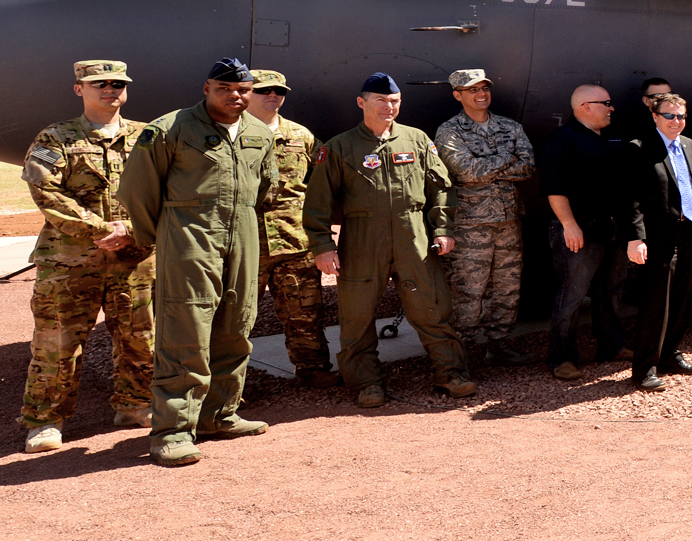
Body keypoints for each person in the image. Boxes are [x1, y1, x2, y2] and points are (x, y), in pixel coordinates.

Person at [117, 59, 282, 465]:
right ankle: (172, 431)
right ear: (207, 87)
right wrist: (161, 237)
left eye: (243, 89)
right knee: (185, 330)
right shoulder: (169, 128)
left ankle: (219, 415)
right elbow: (138, 190)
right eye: (225, 88)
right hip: (189, 233)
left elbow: (267, 187)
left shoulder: (259, 132)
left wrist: (241, 220)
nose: (235, 96)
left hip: (242, 230)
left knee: (237, 324)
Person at [305, 72, 475, 409]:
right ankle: (366, 383)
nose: (388, 106)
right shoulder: (339, 147)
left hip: (413, 236)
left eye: (394, 101)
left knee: (433, 307)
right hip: (362, 238)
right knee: (357, 316)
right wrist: (323, 245)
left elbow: (440, 188)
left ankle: (450, 373)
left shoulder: (416, 140)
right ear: (361, 102)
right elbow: (318, 201)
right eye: (380, 100)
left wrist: (443, 229)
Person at [19, 60, 155, 452]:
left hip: (136, 255)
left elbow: (164, 188)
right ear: (80, 89)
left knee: (140, 335)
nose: (109, 89)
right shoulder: (56, 137)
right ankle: (45, 420)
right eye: (99, 83)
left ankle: (136, 403)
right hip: (69, 260)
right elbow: (46, 192)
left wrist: (131, 229)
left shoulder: (147, 136)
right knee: (57, 341)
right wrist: (101, 230)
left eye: (117, 83)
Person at [433, 68, 536, 367]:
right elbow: (465, 171)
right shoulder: (449, 131)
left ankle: (498, 345)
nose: (481, 94)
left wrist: (485, 166)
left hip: (508, 222)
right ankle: (459, 354)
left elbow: (528, 167)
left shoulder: (510, 127)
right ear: (458, 95)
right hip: (470, 225)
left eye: (484, 88)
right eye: (473, 90)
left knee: (507, 286)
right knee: (468, 288)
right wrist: (507, 161)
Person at [623, 95, 692, 389]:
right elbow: (631, 199)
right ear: (654, 117)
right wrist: (635, 238)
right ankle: (643, 370)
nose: (676, 122)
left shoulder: (688, 145)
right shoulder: (639, 149)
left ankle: (669, 355)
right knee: (657, 304)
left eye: (681, 116)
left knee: (682, 300)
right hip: (659, 239)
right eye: (670, 116)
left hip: (689, 234)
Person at [242, 69, 332, 385]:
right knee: (234, 317)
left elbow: (324, 177)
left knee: (304, 312)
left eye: (279, 91)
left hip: (294, 241)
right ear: (247, 93)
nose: (273, 96)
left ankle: (312, 369)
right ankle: (225, 384)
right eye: (264, 90)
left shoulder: (300, 136)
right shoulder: (230, 135)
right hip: (245, 244)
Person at [539, 82, 632, 375]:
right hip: (581, 231)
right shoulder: (562, 139)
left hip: (613, 230)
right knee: (572, 294)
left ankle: (612, 345)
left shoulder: (612, 136)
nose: (611, 108)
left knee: (611, 290)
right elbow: (554, 189)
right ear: (585, 107)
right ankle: (562, 358)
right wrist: (569, 225)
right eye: (606, 103)